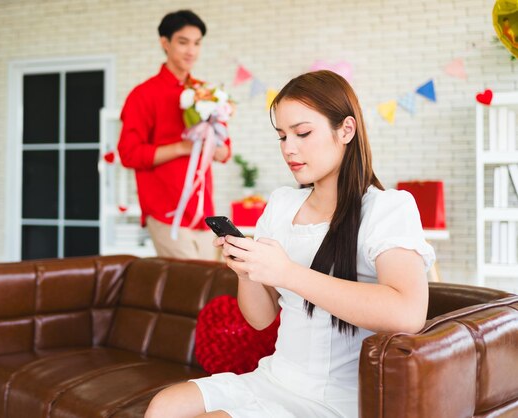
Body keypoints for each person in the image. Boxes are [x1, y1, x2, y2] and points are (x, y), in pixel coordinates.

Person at [144, 70, 435, 418]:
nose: (289, 149)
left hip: (334, 401)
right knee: (163, 407)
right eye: (282, 136)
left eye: (302, 133)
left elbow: (408, 313)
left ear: (346, 130)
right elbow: (261, 319)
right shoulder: (282, 204)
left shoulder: (387, 208)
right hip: (273, 378)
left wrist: (287, 272)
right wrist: (247, 271)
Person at [118, 10, 231, 261]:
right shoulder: (143, 95)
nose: (191, 50)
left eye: (197, 43)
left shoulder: (207, 93)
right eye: (183, 42)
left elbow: (225, 152)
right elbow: (129, 154)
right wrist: (182, 148)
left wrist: (211, 144)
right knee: (188, 291)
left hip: (203, 213)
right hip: (165, 211)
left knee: (209, 288)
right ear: (165, 43)